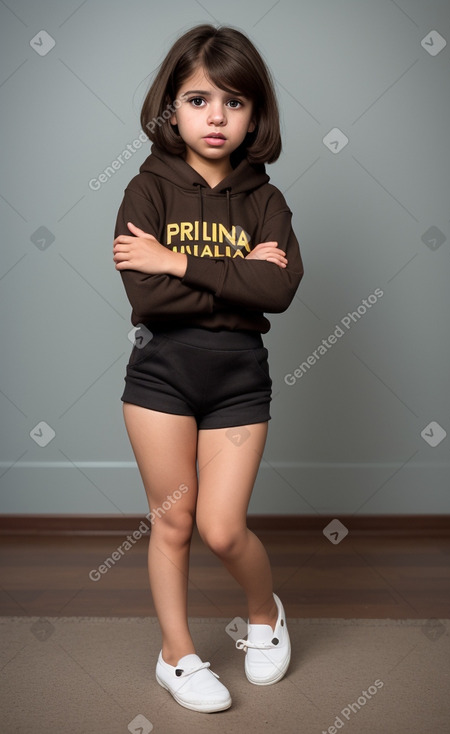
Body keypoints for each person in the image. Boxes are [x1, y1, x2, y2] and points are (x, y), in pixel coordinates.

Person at [112, 23, 303, 714]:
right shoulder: (147, 190)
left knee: (223, 529)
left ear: (255, 114)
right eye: (197, 100)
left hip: (238, 382)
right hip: (160, 378)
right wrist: (236, 273)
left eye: (234, 101)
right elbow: (145, 293)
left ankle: (264, 614)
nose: (216, 116)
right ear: (171, 108)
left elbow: (278, 292)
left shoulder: (265, 201)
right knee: (173, 522)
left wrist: (177, 261)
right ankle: (176, 656)